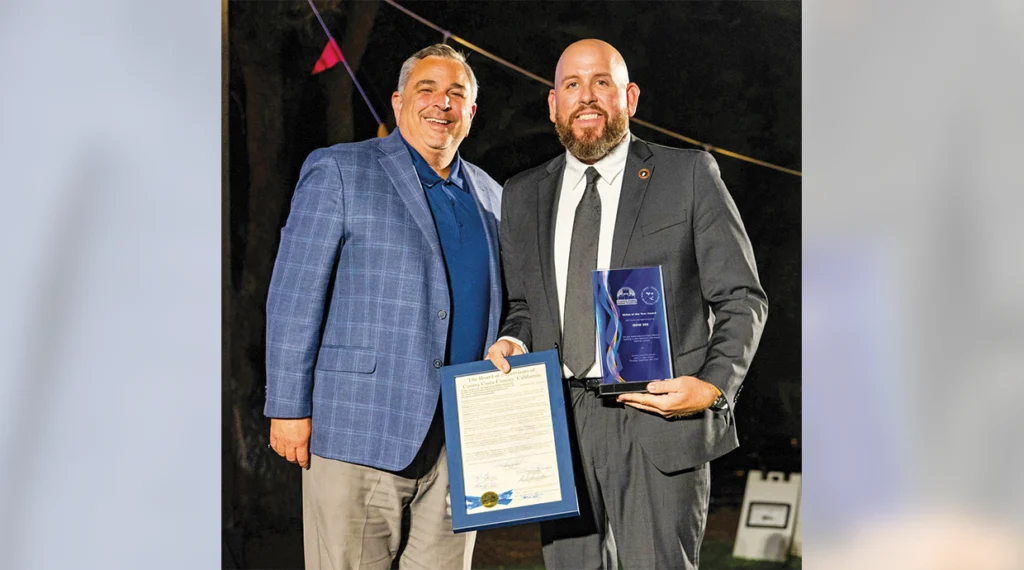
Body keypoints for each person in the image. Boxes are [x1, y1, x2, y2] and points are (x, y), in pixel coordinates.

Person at [486, 39, 768, 569]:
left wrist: (711, 387)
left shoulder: (688, 174)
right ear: (553, 104)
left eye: (602, 83)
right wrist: (513, 337)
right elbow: (525, 304)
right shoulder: (522, 194)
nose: (586, 97)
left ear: (630, 97)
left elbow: (742, 298)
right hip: (561, 425)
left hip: (659, 417)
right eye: (572, 84)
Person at [264, 44, 503, 570]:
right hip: (357, 430)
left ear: (471, 113)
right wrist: (287, 405)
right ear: (398, 103)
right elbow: (294, 292)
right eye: (428, 89)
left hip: (458, 445)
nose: (442, 103)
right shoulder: (340, 170)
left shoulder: (491, 195)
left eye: (456, 94)